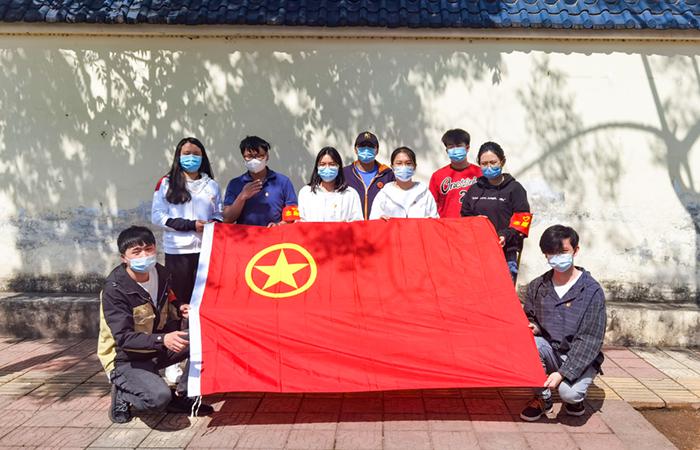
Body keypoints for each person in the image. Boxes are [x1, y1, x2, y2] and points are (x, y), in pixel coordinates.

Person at [97, 226, 213, 424]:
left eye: (148, 249)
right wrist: (163, 339)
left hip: (154, 348)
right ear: (124, 258)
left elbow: (169, 296)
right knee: (158, 399)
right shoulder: (115, 290)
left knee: (206, 337)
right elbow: (123, 338)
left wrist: (179, 306)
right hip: (125, 358)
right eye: (136, 252)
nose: (145, 255)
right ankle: (123, 392)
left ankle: (183, 394)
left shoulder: (160, 272)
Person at [519, 225, 606, 422]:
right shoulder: (537, 286)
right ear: (545, 254)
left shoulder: (591, 291)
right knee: (527, 345)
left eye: (564, 251)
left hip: (580, 356)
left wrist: (562, 373)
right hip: (551, 350)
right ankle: (543, 399)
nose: (558, 257)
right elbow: (530, 317)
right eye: (552, 252)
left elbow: (590, 340)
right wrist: (535, 327)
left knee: (569, 393)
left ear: (575, 250)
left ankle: (575, 399)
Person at [151, 137, 222, 306]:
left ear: (203, 157)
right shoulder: (166, 183)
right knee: (179, 300)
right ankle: (179, 324)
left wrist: (212, 224)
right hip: (177, 251)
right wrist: (190, 225)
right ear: (179, 156)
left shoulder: (212, 185)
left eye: (196, 154)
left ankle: (198, 324)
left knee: (203, 298)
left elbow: (219, 213)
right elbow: (157, 216)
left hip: (205, 249)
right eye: (187, 153)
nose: (192, 157)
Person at [460, 141, 530, 282]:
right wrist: (475, 221)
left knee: (502, 291)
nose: (489, 167)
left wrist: (505, 235)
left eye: (493, 162)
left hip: (506, 253)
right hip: (477, 252)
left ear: (502, 162)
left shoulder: (515, 189)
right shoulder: (474, 190)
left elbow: (523, 221)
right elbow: (464, 215)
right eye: (484, 164)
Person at [223, 136, 297, 226]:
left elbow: (292, 215)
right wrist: (242, 196)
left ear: (267, 156)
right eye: (249, 156)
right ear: (243, 157)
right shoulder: (235, 184)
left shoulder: (283, 182)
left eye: (259, 156)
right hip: (245, 234)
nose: (254, 160)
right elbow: (227, 219)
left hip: (275, 234)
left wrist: (279, 225)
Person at [369, 147, 439, 219]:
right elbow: (373, 220)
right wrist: (380, 219)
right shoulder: (384, 194)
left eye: (408, 163)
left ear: (414, 166)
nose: (404, 167)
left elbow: (435, 219)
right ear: (392, 167)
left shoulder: (424, 193)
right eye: (399, 163)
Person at [298, 147, 364, 222]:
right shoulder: (306, 193)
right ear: (317, 167)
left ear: (338, 167)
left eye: (332, 164)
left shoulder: (350, 194)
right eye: (322, 164)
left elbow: (358, 223)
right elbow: (300, 222)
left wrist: (346, 225)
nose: (327, 168)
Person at [429, 128, 482, 218]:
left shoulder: (480, 173)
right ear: (447, 151)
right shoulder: (437, 176)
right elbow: (431, 206)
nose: (455, 149)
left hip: (473, 223)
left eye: (459, 146)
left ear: (467, 148)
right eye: (451, 147)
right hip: (447, 224)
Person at [342, 131, 395, 219]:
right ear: (355, 149)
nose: (366, 149)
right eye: (362, 146)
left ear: (377, 150)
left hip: (378, 225)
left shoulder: (387, 175)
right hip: (353, 225)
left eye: (370, 146)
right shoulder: (344, 173)